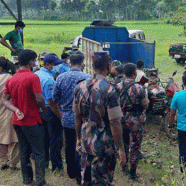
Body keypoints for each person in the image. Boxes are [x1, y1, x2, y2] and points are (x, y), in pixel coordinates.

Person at [73, 52, 126, 185]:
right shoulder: (110, 90)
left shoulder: (80, 87)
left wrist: (79, 138)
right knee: (102, 181)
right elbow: (115, 122)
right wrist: (121, 148)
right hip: (104, 145)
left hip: (86, 140)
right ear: (109, 66)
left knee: (86, 179)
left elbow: (77, 116)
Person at [2, 49, 48, 186]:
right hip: (32, 120)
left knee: (24, 151)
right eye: (34, 60)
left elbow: (5, 100)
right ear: (30, 62)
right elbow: (39, 98)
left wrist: (16, 109)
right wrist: (44, 109)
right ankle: (41, 181)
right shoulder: (33, 77)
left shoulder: (12, 79)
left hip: (17, 120)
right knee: (39, 152)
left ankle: (27, 180)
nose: (35, 63)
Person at [52, 52, 91, 185]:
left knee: (69, 145)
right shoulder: (88, 78)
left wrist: (60, 113)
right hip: (84, 119)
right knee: (82, 145)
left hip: (67, 117)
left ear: (69, 63)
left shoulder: (61, 78)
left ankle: (71, 172)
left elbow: (54, 98)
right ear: (82, 63)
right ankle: (82, 171)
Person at [116, 63, 149, 180]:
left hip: (120, 118)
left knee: (123, 144)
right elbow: (145, 104)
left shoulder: (117, 85)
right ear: (135, 73)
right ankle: (132, 173)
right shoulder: (138, 87)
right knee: (135, 146)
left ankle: (123, 166)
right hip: (135, 120)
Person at [35, 54, 64, 172]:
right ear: (48, 65)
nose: (57, 67)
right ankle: (57, 165)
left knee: (44, 139)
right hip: (49, 111)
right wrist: (61, 116)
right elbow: (51, 102)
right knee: (56, 139)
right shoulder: (48, 80)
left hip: (39, 111)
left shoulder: (37, 74)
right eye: (55, 65)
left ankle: (45, 162)